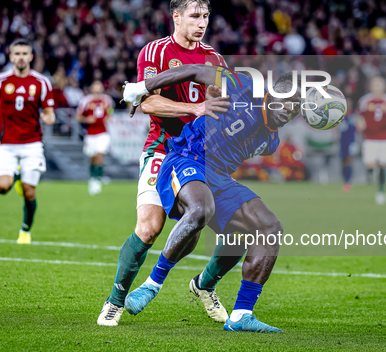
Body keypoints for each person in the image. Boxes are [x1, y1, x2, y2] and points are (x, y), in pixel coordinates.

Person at [123, 64, 302, 333]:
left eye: (296, 107)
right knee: (201, 209)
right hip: (185, 159)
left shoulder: (271, 141)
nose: (289, 110)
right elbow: (195, 70)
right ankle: (151, 284)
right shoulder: (244, 86)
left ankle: (240, 313)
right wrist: (142, 87)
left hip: (218, 176)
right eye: (287, 101)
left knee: (268, 228)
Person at [97, 0, 234, 327]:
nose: (202, 23)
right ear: (176, 17)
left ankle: (204, 286)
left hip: (200, 154)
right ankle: (115, 301)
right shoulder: (156, 52)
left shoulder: (215, 58)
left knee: (201, 225)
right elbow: (146, 102)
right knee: (149, 228)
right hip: (162, 146)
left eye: (205, 17)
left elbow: (222, 105)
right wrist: (195, 107)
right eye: (194, 16)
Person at [0, 38, 55, 244]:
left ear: (31, 56)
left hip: (32, 144)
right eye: (16, 53)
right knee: (1, 187)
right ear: (11, 57)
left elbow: (49, 112)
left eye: (24, 53)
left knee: (29, 192)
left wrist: (49, 118)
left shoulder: (41, 82)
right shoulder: (1, 81)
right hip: (7, 144)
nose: (20, 57)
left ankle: (25, 231)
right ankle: (16, 176)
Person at [356, 77, 386, 205]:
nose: (377, 88)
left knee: (383, 164)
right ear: (371, 87)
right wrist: (360, 124)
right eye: (375, 85)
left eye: (379, 85)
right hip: (369, 138)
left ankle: (381, 191)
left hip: (384, 138)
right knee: (370, 164)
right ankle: (371, 174)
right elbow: (359, 116)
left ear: (383, 87)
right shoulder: (365, 101)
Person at [76, 81, 113, 195]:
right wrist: (87, 120)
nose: (97, 92)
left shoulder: (107, 100)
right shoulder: (86, 101)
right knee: (92, 157)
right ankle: (92, 177)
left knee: (99, 154)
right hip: (90, 134)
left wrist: (108, 117)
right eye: (95, 90)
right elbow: (78, 116)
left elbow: (110, 111)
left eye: (99, 90)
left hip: (103, 133)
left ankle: (97, 178)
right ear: (92, 89)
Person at [339, 98, 357, 192]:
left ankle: (348, 181)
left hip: (352, 142)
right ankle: (344, 180)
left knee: (349, 160)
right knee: (343, 161)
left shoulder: (354, 116)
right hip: (343, 141)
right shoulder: (340, 116)